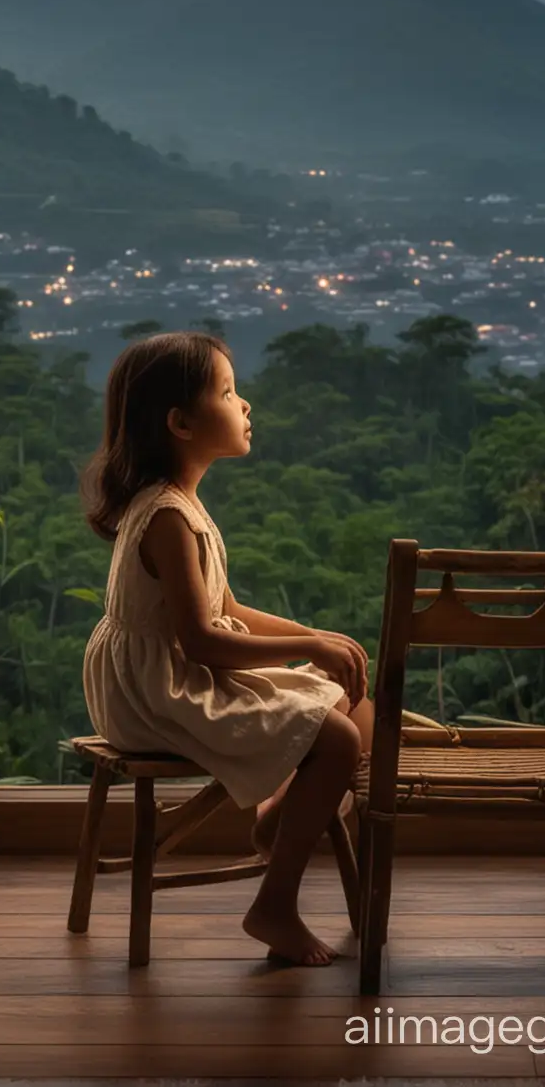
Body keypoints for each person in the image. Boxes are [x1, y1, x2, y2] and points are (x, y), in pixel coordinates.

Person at [80, 329, 374, 966]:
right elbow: (203, 641)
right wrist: (307, 648)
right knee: (341, 739)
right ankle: (275, 902)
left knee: (358, 703)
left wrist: (313, 639)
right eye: (229, 392)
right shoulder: (165, 516)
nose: (245, 406)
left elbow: (227, 611)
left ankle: (277, 819)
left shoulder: (182, 504)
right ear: (182, 423)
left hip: (180, 673)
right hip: (159, 693)